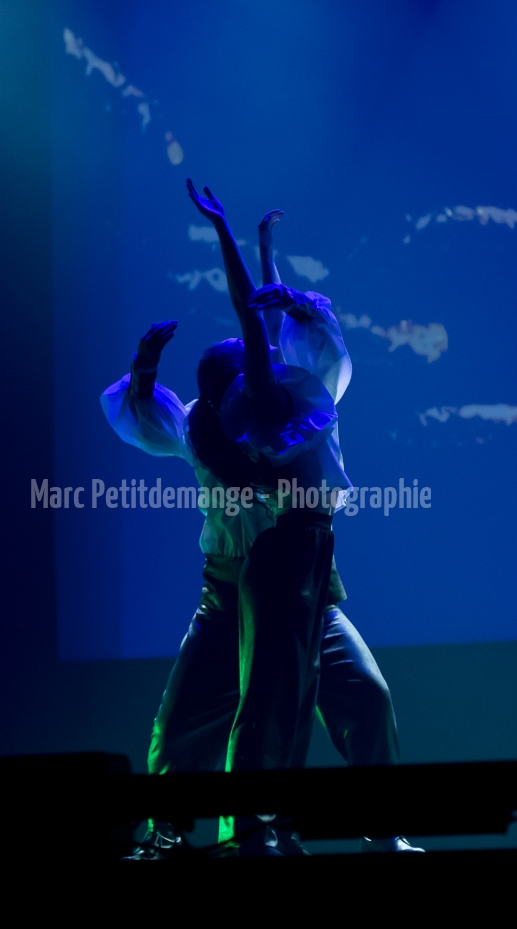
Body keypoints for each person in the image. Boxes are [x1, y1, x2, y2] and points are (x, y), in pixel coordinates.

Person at [102, 181, 413, 854]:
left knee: (366, 696)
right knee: (183, 722)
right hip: (227, 593)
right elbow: (146, 412)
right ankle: (172, 833)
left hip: (303, 590)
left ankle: (378, 828)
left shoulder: (293, 410)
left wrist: (256, 252)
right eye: (238, 379)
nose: (256, 375)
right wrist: (143, 371)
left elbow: (265, 329)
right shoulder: (199, 427)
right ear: (218, 399)